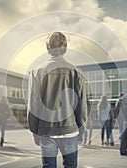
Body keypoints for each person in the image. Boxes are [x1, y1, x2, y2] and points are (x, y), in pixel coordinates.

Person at [27, 32, 88, 168]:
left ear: (48, 48)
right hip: (70, 129)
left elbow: (34, 103)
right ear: (65, 48)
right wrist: (81, 128)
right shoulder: (76, 72)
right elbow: (81, 104)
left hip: (46, 130)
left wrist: (34, 130)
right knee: (71, 165)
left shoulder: (36, 71)